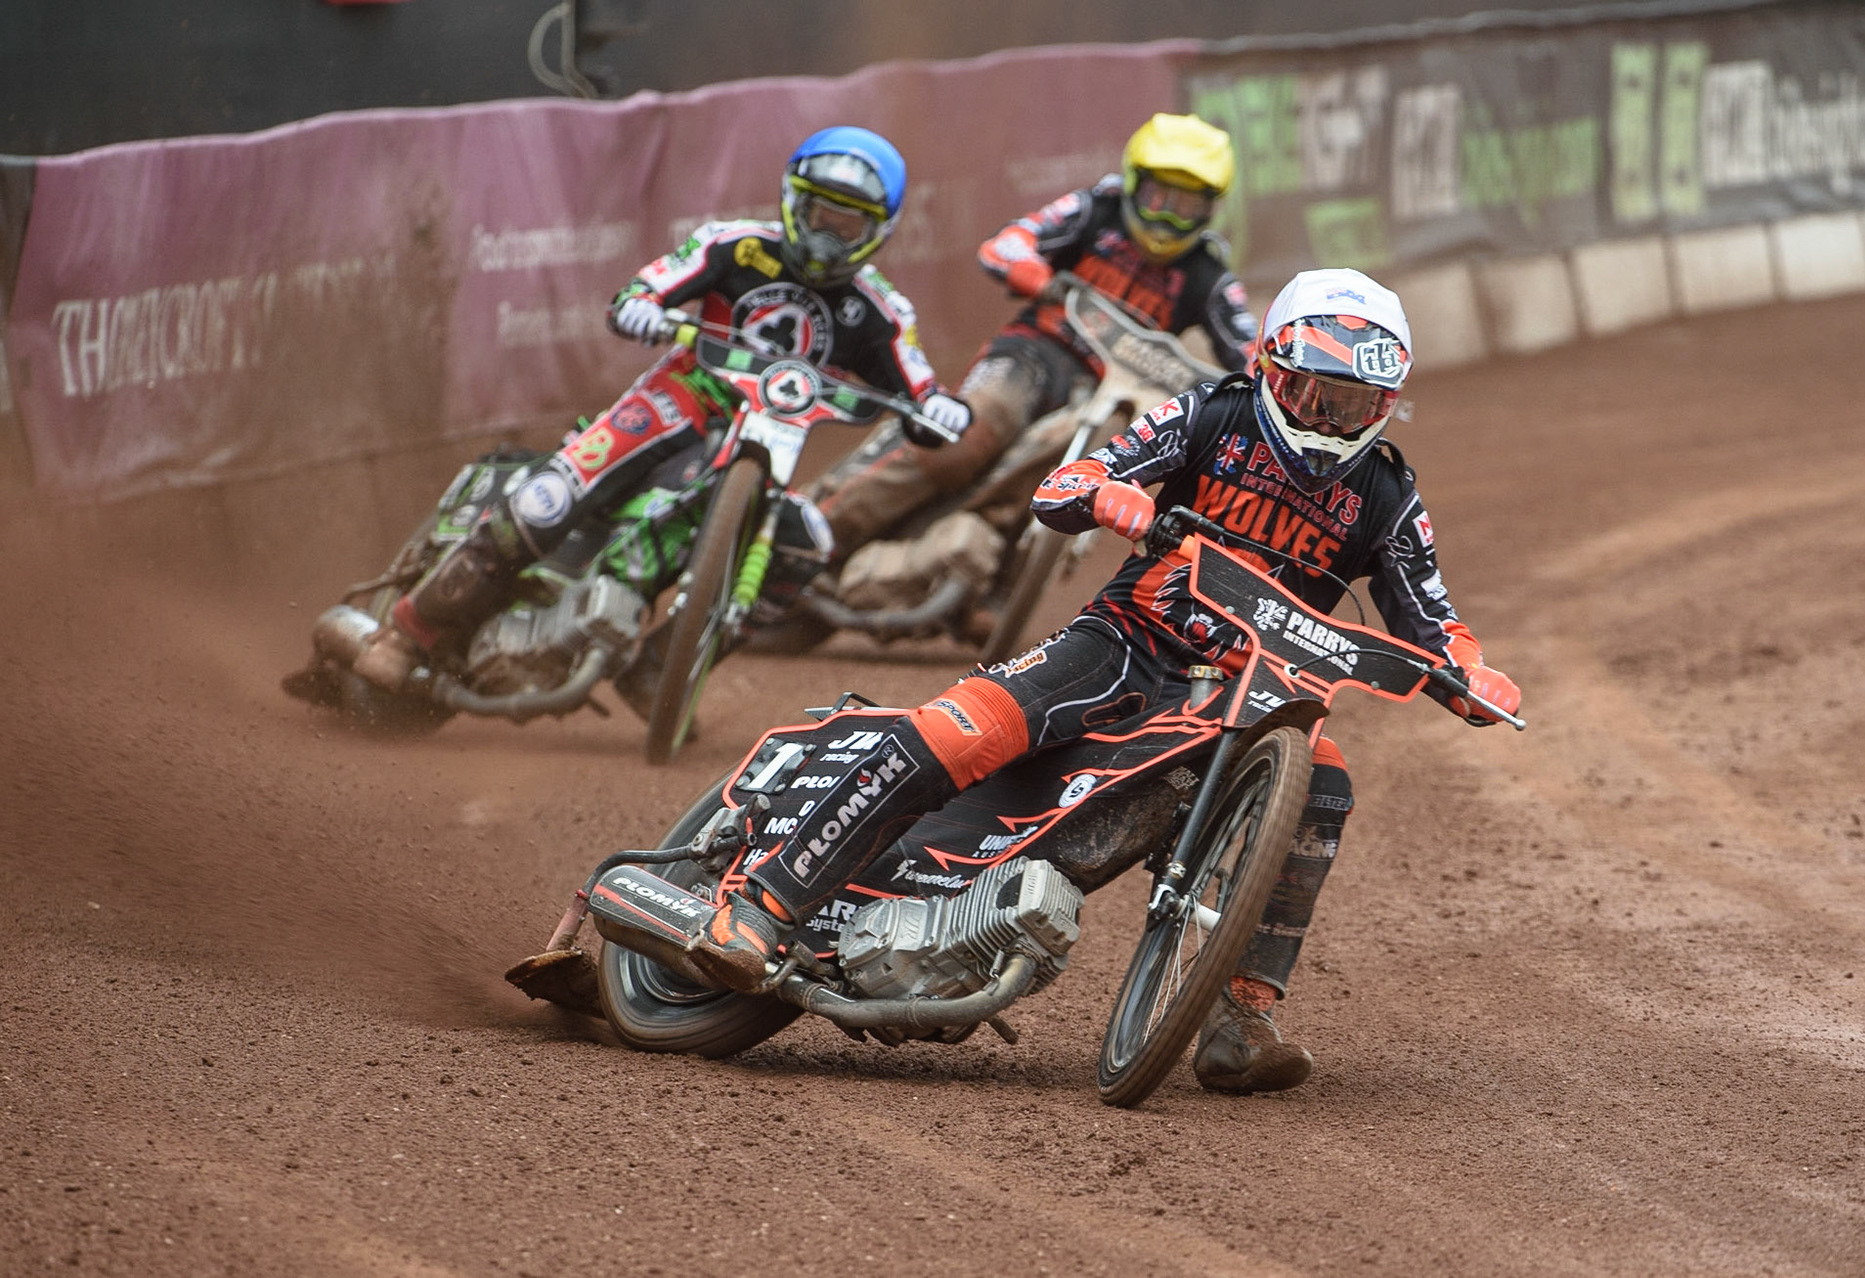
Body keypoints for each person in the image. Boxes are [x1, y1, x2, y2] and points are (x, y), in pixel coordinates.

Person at [667, 266, 1523, 1095]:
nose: (1334, 421)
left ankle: (1240, 1019)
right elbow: (1070, 481)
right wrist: (1107, 494)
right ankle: (761, 905)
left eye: (1358, 405)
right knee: (959, 728)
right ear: (1270, 368)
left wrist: (1474, 673)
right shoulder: (1212, 415)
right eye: (1317, 396)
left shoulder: (1386, 492)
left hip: (1244, 694)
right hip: (1123, 645)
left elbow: (1431, 619)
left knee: (1325, 782)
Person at [351, 126, 972, 701]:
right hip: (680, 397)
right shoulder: (734, 246)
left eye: (848, 225)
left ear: (878, 231)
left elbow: (919, 385)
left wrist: (942, 408)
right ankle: (405, 634)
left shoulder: (881, 311)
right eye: (819, 215)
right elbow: (649, 285)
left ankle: (662, 673)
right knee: (550, 498)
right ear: (792, 201)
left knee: (804, 542)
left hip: (771, 438)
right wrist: (641, 306)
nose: (827, 236)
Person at [790, 112, 1260, 638]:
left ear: (1210, 210)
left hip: (1106, 394)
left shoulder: (1207, 272)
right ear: (1133, 185)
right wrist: (1038, 276)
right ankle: (814, 535)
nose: (1167, 220)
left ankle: (991, 577)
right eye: (1159, 199)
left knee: (1093, 469)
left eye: (1187, 207)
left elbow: (1252, 351)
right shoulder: (1094, 211)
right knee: (967, 438)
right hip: (1032, 355)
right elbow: (1006, 244)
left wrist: (1249, 388)